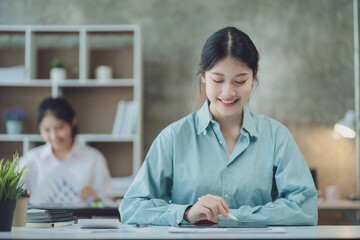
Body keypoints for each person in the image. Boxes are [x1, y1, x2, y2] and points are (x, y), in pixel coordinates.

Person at [119, 27, 317, 226]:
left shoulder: (276, 136)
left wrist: (233, 218)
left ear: (254, 76)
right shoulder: (173, 137)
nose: (228, 92)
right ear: (204, 76)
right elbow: (131, 207)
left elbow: (305, 209)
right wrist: (187, 212)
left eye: (240, 81)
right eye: (218, 80)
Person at [20, 97, 112, 205]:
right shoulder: (31, 159)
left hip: (81, 221)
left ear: (73, 122)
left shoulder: (93, 158)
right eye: (46, 130)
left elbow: (108, 205)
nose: (54, 136)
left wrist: (96, 199)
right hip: (40, 221)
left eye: (59, 128)